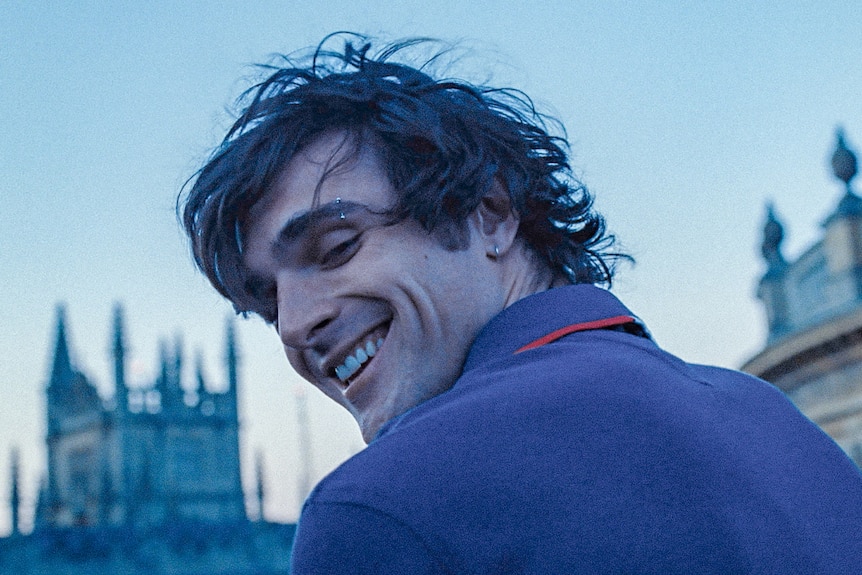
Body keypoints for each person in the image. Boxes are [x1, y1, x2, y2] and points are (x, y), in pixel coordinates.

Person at [181, 34, 862, 573]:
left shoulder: (383, 508)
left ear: (491, 212)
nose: (298, 324)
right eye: (271, 304)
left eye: (336, 247)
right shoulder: (784, 429)